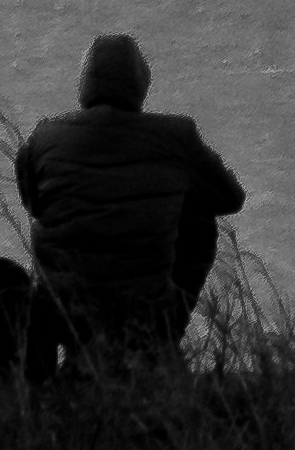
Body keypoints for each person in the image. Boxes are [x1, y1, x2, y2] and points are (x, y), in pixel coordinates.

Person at [14, 32, 245, 367]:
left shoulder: (43, 137)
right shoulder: (175, 137)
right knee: (198, 216)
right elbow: (230, 197)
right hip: (145, 312)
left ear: (84, 84)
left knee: (54, 217)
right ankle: (162, 337)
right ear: (141, 85)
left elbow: (32, 204)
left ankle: (67, 358)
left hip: (63, 311)